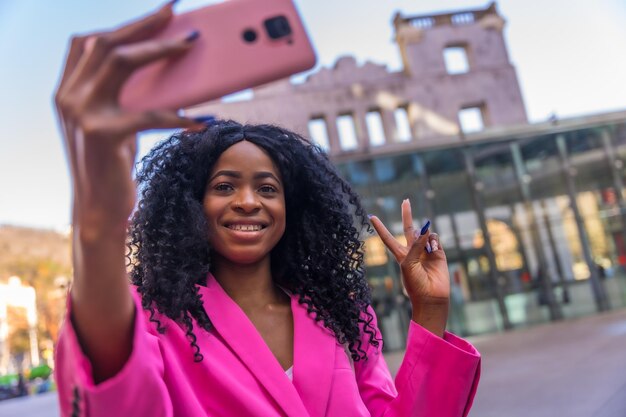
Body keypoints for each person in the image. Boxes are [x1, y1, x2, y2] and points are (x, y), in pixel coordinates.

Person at [53, 3, 480, 417]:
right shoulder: (154, 319)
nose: (247, 201)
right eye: (224, 186)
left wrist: (429, 309)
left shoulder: (340, 312)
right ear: (189, 204)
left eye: (267, 188)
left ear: (291, 206)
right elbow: (117, 397)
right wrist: (98, 217)